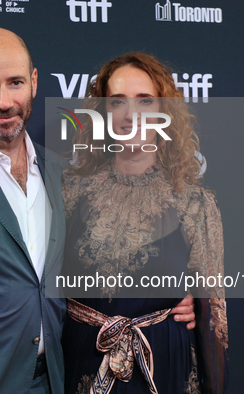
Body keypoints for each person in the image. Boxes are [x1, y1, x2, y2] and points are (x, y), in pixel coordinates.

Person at [0, 28, 196, 394]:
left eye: (15, 82)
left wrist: (172, 296)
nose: (4, 101)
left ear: (33, 83)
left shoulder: (64, 175)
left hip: (57, 380)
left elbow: (98, 263)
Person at [61, 53, 228, 393]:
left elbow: (215, 321)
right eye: (117, 101)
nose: (130, 114)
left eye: (145, 100)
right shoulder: (68, 191)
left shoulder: (195, 202)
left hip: (166, 367)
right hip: (84, 361)